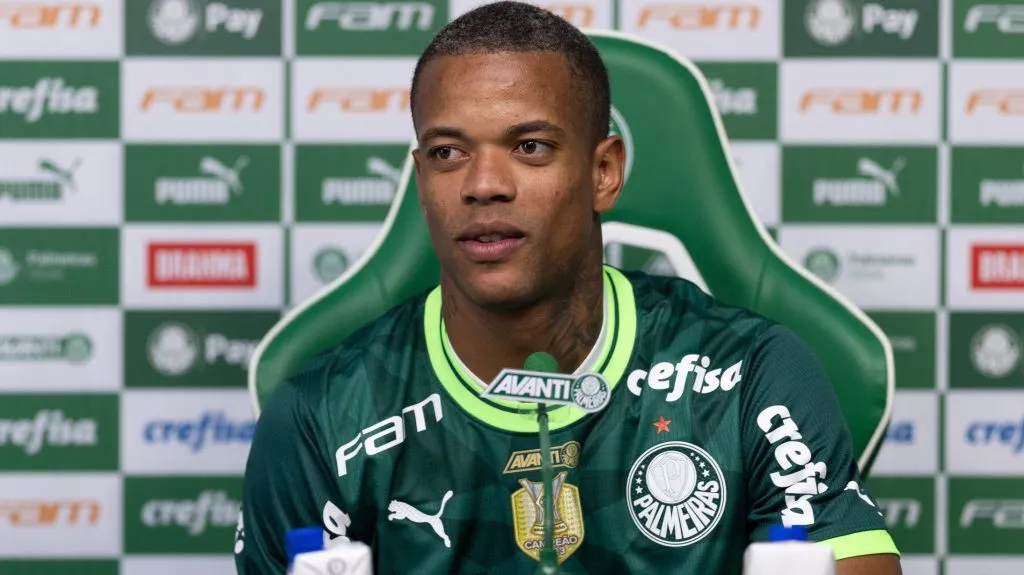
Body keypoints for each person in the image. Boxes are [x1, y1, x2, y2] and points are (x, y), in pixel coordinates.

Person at [234, 2, 903, 573]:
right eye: (447, 152)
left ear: (605, 171)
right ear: (421, 180)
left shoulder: (751, 371)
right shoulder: (320, 416)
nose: (483, 183)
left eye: (529, 147)